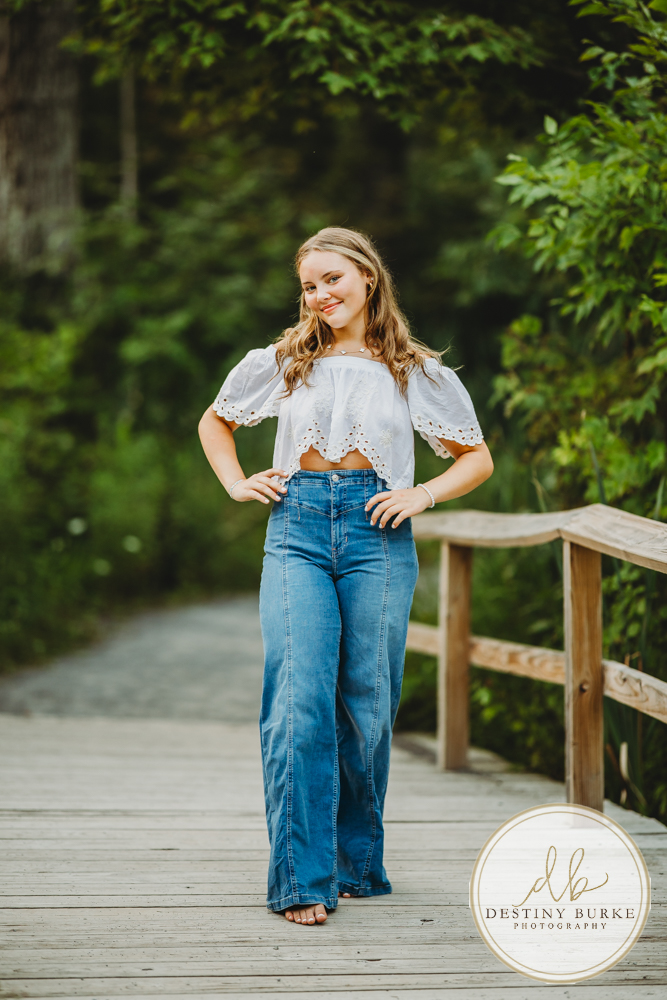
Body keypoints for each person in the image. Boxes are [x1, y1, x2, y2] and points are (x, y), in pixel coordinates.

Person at [199, 227, 493, 927]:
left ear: (366, 277)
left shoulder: (412, 370)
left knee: (366, 704)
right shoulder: (283, 361)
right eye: (308, 284)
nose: (320, 295)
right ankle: (301, 878)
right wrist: (237, 482)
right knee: (298, 698)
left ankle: (356, 862)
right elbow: (216, 423)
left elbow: (474, 458)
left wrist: (422, 493)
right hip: (295, 529)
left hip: (378, 536)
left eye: (331, 279)